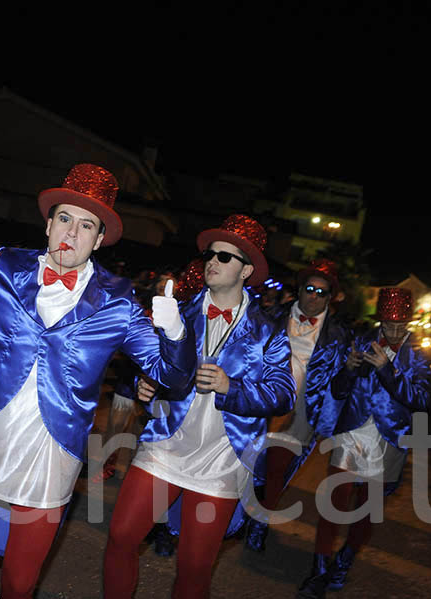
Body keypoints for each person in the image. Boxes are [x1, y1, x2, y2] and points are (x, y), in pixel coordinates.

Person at [0, 163, 194, 599]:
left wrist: (176, 335)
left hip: (50, 452)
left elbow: (173, 377)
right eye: (65, 218)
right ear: (49, 224)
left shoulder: (118, 303)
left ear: (100, 238)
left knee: (19, 583)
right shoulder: (4, 268)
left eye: (86, 224)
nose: (72, 232)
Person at [103, 214, 296, 599]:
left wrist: (232, 387)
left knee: (194, 568)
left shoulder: (268, 331)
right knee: (121, 537)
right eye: (210, 253)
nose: (212, 261)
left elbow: (283, 395)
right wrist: (147, 385)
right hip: (164, 447)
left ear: (246, 271)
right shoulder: (179, 311)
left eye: (225, 257)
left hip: (220, 462)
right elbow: (151, 363)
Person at [296, 287, 430, 598]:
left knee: (367, 513)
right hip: (351, 434)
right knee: (332, 507)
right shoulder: (360, 339)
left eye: (401, 325)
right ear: (380, 320)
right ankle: (317, 572)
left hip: (389, 440)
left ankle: (343, 561)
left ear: (410, 322)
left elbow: (421, 400)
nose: (394, 332)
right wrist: (347, 370)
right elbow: (339, 390)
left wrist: (388, 370)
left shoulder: (419, 354)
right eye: (388, 325)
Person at [241, 259, 353, 552]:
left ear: (331, 298)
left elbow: (340, 388)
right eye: (309, 288)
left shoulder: (339, 336)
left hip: (301, 413)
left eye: (321, 292)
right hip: (258, 402)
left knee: (277, 470)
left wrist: (350, 370)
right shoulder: (270, 316)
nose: (314, 296)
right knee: (244, 462)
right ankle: (235, 516)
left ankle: (258, 524)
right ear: (300, 290)